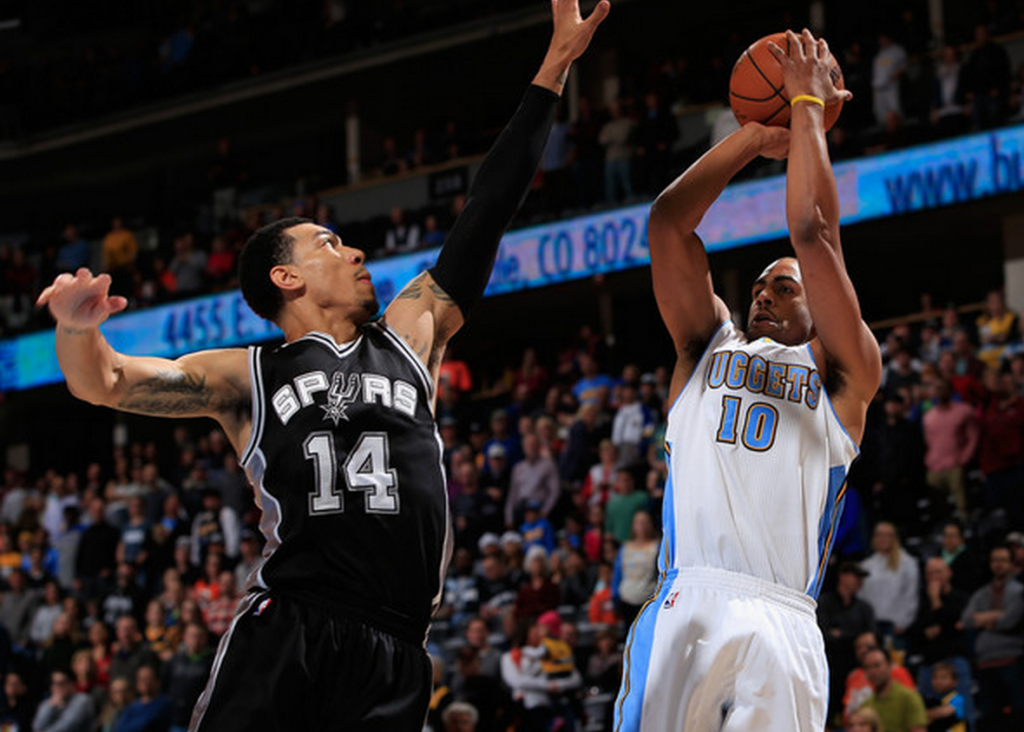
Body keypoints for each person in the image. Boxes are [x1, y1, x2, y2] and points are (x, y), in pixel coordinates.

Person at [36, 3, 609, 730]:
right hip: (293, 627)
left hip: (399, 647)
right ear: (286, 278)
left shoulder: (412, 332)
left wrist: (554, 66)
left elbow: (487, 210)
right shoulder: (245, 373)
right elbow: (105, 382)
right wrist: (74, 329)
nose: (356, 252)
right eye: (330, 243)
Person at [614, 30, 879, 732]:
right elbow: (669, 224)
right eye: (759, 284)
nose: (764, 292)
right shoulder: (707, 344)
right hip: (687, 601)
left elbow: (813, 233)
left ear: (820, 310)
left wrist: (807, 111)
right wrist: (754, 139)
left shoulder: (842, 371)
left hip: (784, 621)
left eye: (784, 288)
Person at [861, 648, 928, 732]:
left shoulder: (909, 698)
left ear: (890, 666)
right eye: (867, 667)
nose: (872, 671)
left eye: (877, 665)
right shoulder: (866, 704)